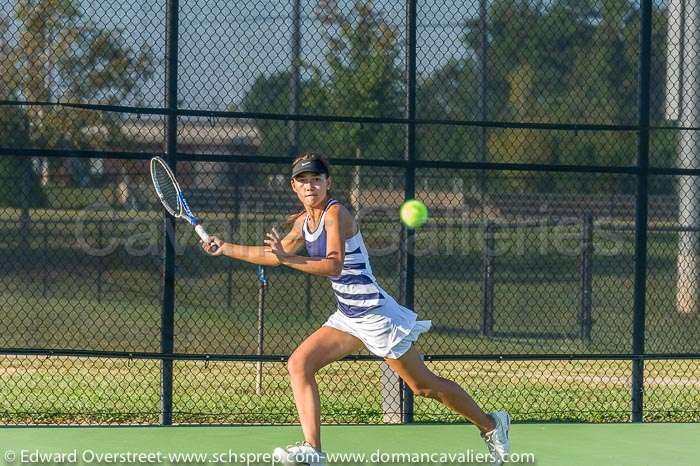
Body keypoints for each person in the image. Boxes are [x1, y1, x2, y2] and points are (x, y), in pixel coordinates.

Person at [201, 152, 511, 466]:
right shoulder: (301, 222)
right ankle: (313, 450)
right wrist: (224, 247)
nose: (311, 186)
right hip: (348, 317)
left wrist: (288, 259)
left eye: (317, 179)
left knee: (422, 386)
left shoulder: (336, 214)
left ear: (327, 183)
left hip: (376, 315)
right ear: (294, 186)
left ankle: (491, 424)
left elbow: (334, 265)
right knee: (299, 364)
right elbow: (272, 256)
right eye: (304, 181)